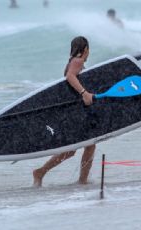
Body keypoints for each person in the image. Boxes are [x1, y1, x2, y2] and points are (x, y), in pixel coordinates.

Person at [33, 36, 96, 187]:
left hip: (75, 111)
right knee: (89, 144)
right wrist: (84, 93)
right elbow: (70, 77)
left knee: (77, 148)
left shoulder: (72, 61)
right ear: (86, 49)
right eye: (88, 50)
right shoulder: (77, 61)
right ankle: (81, 180)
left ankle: (42, 172)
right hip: (76, 113)